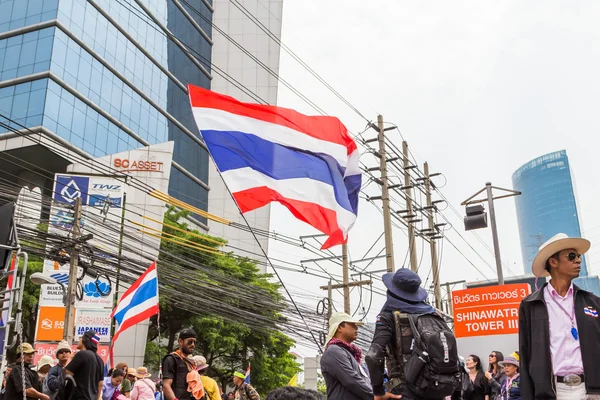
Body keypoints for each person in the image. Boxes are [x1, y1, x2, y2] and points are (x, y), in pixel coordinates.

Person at [519, 233, 600, 399]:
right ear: (553, 262)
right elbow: (525, 354)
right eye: (571, 256)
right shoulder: (530, 305)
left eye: (578, 257)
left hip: (591, 391)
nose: (578, 260)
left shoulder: (594, 302)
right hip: (552, 393)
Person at [366, 268, 459, 400]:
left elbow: (373, 357)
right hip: (436, 388)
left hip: (403, 391)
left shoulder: (387, 317)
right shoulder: (432, 314)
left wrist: (378, 392)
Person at [320, 312, 373, 400]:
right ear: (340, 327)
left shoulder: (352, 355)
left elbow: (364, 382)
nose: (356, 328)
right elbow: (352, 381)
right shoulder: (334, 351)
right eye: (352, 325)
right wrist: (377, 396)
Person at [65, 330, 105, 400]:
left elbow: (67, 373)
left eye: (81, 337)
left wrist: (70, 358)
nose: (79, 340)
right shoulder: (100, 360)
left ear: (85, 340)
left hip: (78, 397)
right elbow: (100, 384)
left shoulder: (82, 354)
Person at [162, 328, 198, 400]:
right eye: (190, 342)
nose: (193, 345)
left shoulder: (191, 363)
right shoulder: (171, 359)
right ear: (180, 341)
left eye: (194, 342)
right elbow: (166, 385)